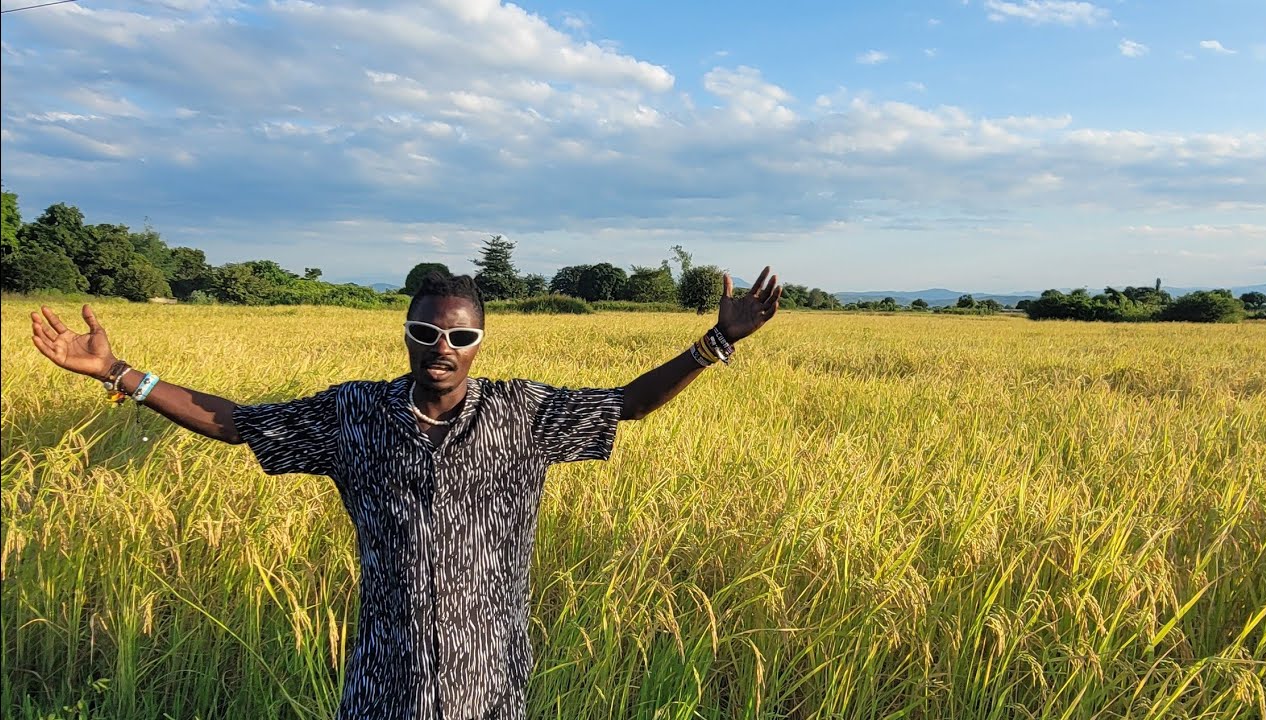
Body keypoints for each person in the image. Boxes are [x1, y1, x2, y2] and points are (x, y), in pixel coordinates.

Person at [28, 267, 782, 720]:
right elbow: (237, 423)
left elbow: (627, 403)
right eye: (426, 334)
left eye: (460, 338)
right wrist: (121, 373)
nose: (442, 350)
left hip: (489, 678)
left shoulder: (525, 415)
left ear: (481, 342)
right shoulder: (351, 415)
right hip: (382, 681)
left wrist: (714, 344)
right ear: (407, 334)